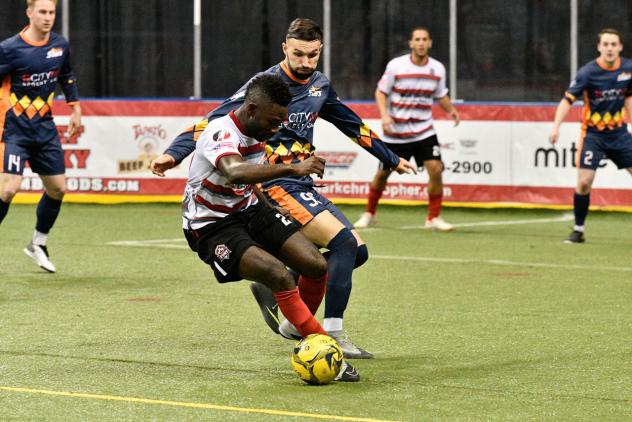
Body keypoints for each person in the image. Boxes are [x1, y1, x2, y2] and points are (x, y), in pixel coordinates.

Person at [152, 18, 416, 359]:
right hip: (271, 180)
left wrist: (391, 157)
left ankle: (285, 299)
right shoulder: (264, 88)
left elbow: (354, 125)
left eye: (313, 55)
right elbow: (209, 123)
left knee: (354, 253)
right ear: (284, 49)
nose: (306, 63)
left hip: (300, 181)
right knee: (344, 243)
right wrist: (173, 155)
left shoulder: (320, 85)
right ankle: (332, 333)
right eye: (298, 54)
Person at [182, 73, 358, 381]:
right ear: (251, 109)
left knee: (316, 265)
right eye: (274, 121)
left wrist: (266, 204)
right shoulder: (220, 131)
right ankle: (328, 351)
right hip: (211, 225)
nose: (277, 128)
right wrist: (293, 166)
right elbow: (235, 172)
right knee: (278, 274)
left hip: (250, 209)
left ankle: (294, 325)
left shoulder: (259, 130)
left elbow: (253, 176)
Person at [0, 0, 81, 272]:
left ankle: (38, 243)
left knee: (58, 188)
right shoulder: (10, 49)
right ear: (29, 13)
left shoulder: (60, 46)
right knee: (8, 189)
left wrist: (75, 108)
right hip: (13, 131)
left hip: (45, 131)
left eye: (51, 12)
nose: (48, 18)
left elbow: (66, 75)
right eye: (43, 12)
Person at [354, 27, 460, 231]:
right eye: (417, 39)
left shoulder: (438, 68)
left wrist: (451, 110)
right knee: (382, 175)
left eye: (424, 39)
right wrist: (384, 115)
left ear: (430, 43)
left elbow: (441, 95)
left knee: (436, 170)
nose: (421, 43)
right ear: (411, 43)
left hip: (424, 130)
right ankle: (369, 213)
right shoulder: (396, 66)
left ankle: (433, 218)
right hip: (396, 133)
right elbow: (381, 91)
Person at [549, 28, 632, 243]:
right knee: (584, 182)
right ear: (599, 47)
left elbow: (629, 98)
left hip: (620, 135)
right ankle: (578, 230)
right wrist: (555, 127)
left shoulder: (628, 69)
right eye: (606, 44)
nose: (610, 48)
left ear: (620, 47)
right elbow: (567, 100)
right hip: (593, 136)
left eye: (614, 44)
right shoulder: (587, 72)